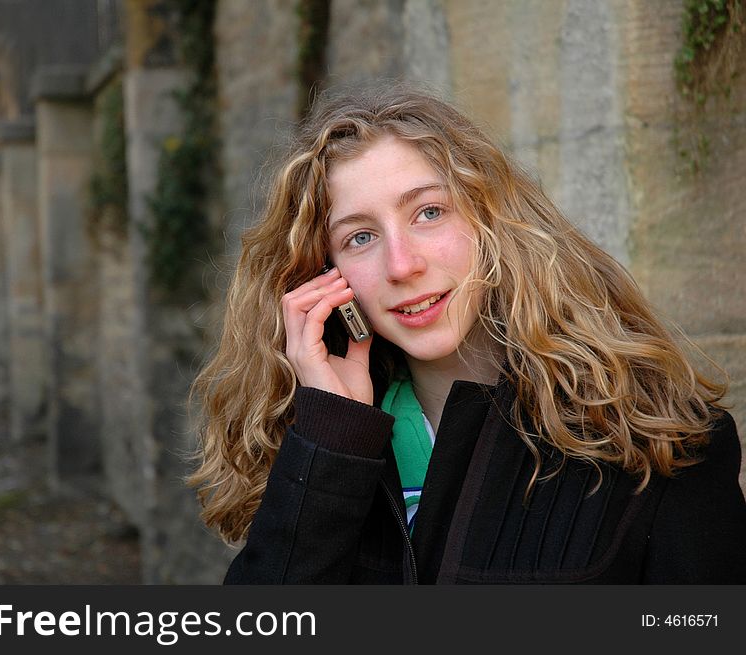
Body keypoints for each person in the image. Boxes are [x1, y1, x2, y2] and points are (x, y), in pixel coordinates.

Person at [188, 84, 746, 584]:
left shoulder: (660, 443)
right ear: (322, 275)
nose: (401, 264)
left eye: (428, 213)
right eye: (360, 238)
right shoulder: (315, 445)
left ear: (493, 223)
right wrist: (331, 437)